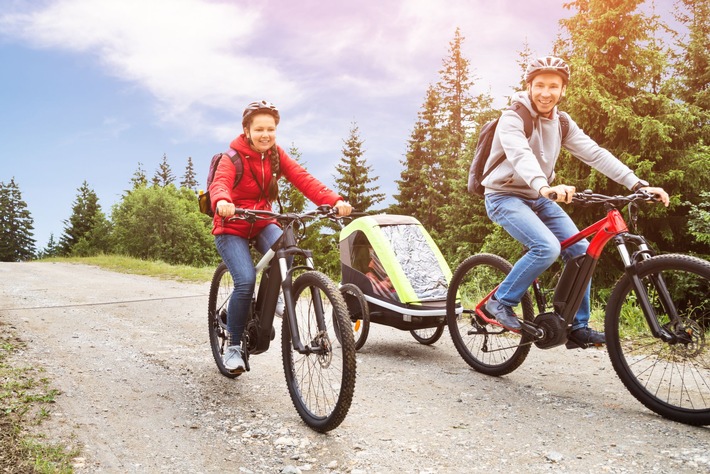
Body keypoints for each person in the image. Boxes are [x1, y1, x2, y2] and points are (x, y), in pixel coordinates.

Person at [481, 56, 669, 348]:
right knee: (546, 247)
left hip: (537, 196)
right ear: (529, 87)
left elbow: (595, 153)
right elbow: (520, 155)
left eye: (553, 86)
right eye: (540, 85)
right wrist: (544, 186)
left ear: (563, 90)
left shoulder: (563, 123)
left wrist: (637, 183)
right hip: (504, 195)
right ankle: (500, 301)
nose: (546, 92)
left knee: (582, 252)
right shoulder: (513, 117)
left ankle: (577, 326)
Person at [209, 100, 352, 373]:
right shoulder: (232, 158)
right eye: (259, 129)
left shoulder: (275, 155)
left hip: (262, 222)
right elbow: (220, 183)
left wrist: (335, 200)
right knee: (245, 279)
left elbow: (304, 179)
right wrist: (223, 201)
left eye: (271, 129)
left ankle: (273, 297)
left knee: (288, 243)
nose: (266, 135)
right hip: (231, 225)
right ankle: (234, 347)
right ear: (247, 130)